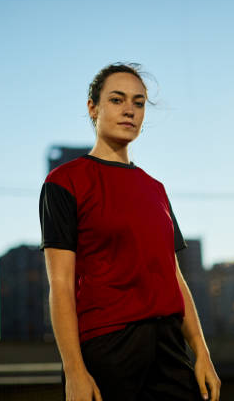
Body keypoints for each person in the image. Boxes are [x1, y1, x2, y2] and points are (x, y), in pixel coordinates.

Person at [39, 63, 220, 401]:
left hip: (168, 346)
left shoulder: (156, 189)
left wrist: (202, 352)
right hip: (109, 347)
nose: (129, 111)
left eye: (138, 103)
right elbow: (61, 285)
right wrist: (74, 371)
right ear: (93, 107)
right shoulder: (65, 182)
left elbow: (175, 278)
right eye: (117, 100)